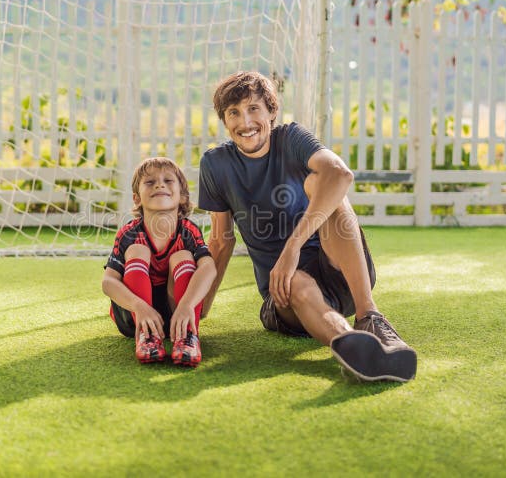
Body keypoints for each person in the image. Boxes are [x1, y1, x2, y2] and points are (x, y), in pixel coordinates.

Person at [198, 71, 417, 382]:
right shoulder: (216, 165)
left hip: (341, 274)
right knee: (297, 281)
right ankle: (352, 346)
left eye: (253, 109)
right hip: (286, 298)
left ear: (271, 111)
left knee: (326, 184)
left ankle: (369, 318)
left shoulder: (291, 139)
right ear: (224, 120)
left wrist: (292, 248)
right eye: (234, 113)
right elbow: (221, 241)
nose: (244, 122)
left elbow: (340, 174)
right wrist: (198, 309)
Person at [102, 157, 217, 367]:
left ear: (182, 196)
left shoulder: (188, 231)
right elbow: (108, 282)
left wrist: (187, 304)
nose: (159, 184)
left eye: (168, 180)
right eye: (150, 182)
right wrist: (138, 306)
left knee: (182, 256)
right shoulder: (129, 234)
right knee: (138, 250)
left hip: (179, 312)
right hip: (134, 314)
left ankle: (187, 337)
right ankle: (147, 336)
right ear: (137, 198)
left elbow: (209, 268)